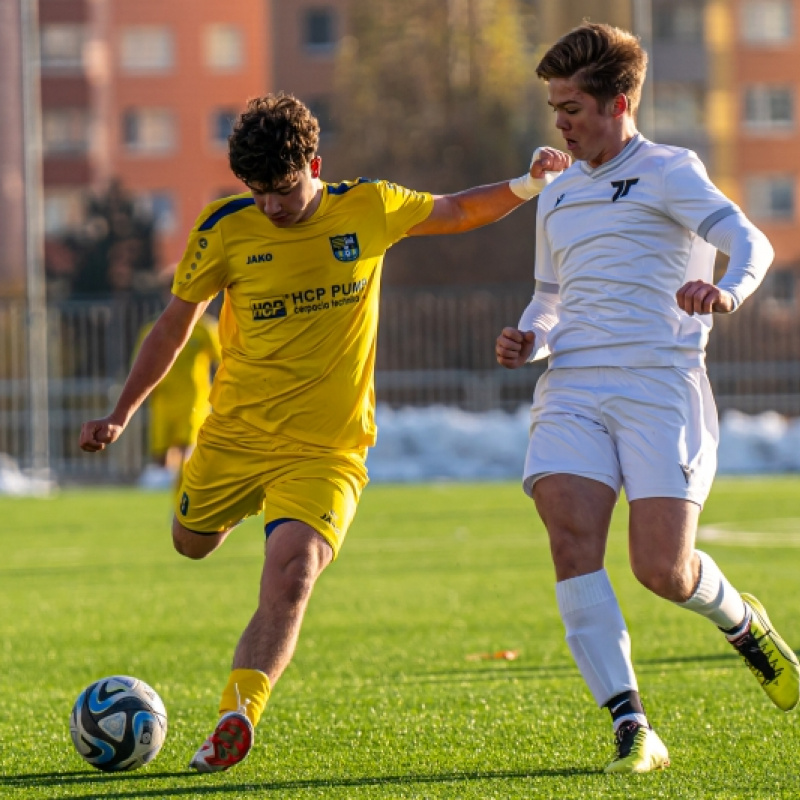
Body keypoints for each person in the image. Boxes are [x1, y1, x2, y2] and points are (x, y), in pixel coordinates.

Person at [79, 93, 570, 773]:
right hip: (235, 437)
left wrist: (527, 184)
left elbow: (457, 209)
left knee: (293, 573)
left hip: (326, 450)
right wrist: (123, 411)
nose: (271, 208)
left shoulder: (369, 207)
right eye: (258, 194)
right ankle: (251, 513)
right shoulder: (225, 227)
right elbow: (175, 324)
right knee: (190, 545)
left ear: (315, 163)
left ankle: (237, 713)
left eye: (282, 190)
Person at [495, 22, 800, 775]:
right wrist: (530, 337)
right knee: (569, 534)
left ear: (618, 103)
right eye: (554, 108)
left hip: (660, 384)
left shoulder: (670, 169)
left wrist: (725, 293)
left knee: (663, 570)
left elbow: (751, 240)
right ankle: (633, 727)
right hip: (571, 385)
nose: (559, 123)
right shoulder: (556, 191)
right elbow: (549, 297)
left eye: (571, 107)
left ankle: (742, 623)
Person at [134, 303, 221, 489]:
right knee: (160, 453)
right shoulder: (153, 329)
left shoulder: (205, 328)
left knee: (187, 448)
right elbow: (140, 365)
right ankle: (165, 492)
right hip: (162, 399)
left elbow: (224, 359)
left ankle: (187, 489)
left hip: (193, 398)